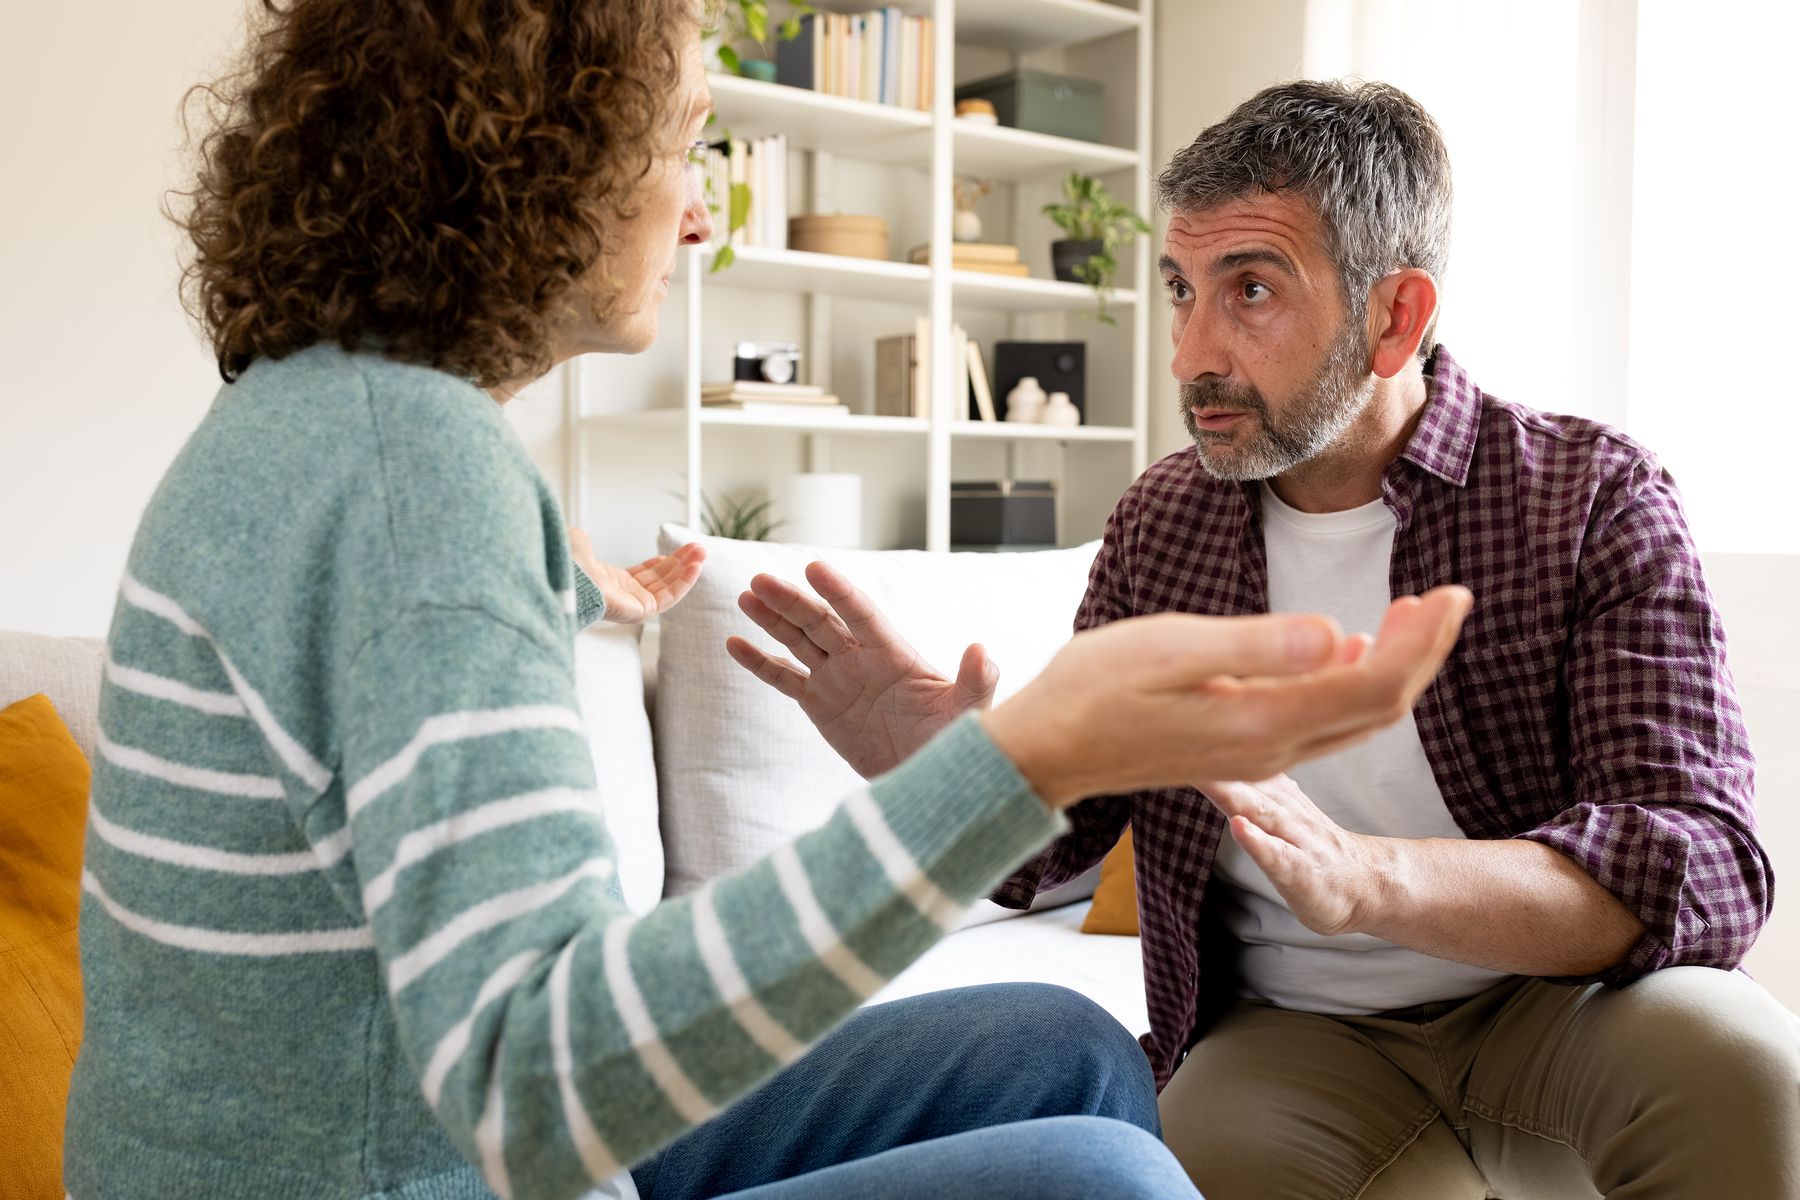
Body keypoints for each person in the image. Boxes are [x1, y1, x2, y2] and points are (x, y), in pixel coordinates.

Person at [61, 5, 1474, 1197]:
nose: (696, 213)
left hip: (408, 1135)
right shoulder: (414, 476)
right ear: (529, 159)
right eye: (683, 142)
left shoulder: (323, 421)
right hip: (423, 1167)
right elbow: (537, 1080)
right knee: (1104, 1182)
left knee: (1067, 1050)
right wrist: (1023, 756)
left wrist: (571, 587)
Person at [734, 81, 1800, 1199]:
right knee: (1165, 1171)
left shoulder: (1589, 496)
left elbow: (1705, 862)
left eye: (1250, 290)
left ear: (1396, 318)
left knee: (1748, 1070)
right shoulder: (1162, 522)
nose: (1191, 353)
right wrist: (946, 770)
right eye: (1180, 290)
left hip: (1559, 1008)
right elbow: (1065, 838)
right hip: (1290, 1038)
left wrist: (1368, 879)